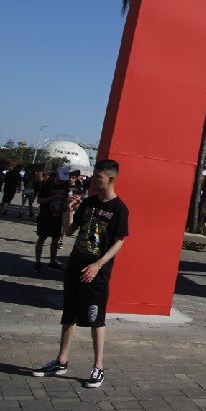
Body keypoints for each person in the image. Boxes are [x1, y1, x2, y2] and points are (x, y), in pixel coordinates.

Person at [31, 159, 129, 388]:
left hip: (97, 271)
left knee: (96, 319)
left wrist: (99, 264)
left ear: (111, 179)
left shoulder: (119, 209)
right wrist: (69, 210)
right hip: (76, 265)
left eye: (99, 177)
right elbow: (69, 230)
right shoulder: (88, 203)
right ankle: (61, 360)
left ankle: (98, 367)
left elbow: (119, 242)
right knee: (69, 314)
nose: (95, 181)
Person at [34, 166, 71, 274]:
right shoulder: (47, 184)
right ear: (57, 174)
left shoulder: (65, 186)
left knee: (55, 239)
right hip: (46, 215)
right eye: (61, 177)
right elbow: (39, 200)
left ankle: (52, 261)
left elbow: (65, 200)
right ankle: (37, 262)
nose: (62, 180)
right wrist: (53, 198)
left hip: (58, 216)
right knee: (42, 238)